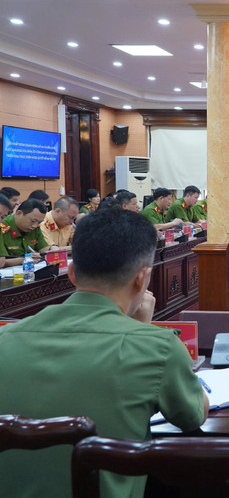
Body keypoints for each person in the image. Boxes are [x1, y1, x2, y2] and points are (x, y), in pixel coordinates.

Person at [0, 208, 208, 498]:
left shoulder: (4, 338)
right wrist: (142, 331)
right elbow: (194, 416)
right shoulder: (157, 347)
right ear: (142, 278)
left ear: (71, 273)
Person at [0, 199, 55, 267]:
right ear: (19, 213)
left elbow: (42, 249)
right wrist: (25, 259)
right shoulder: (3, 227)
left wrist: (52, 248)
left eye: (39, 222)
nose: (34, 225)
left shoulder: (35, 228)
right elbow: (1, 262)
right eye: (32, 221)